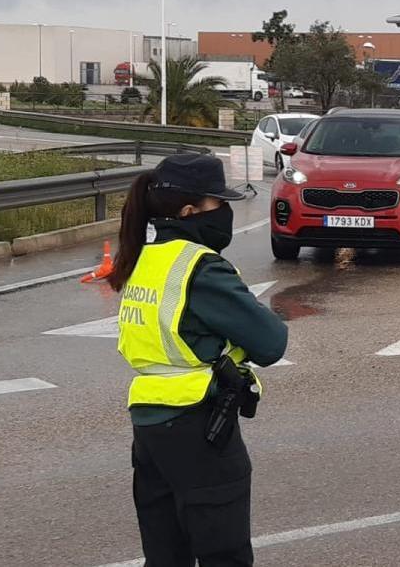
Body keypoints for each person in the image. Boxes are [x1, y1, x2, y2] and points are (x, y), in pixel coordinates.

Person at [109, 153, 288, 566]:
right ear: (189, 211)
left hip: (150, 424)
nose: (225, 212)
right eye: (217, 203)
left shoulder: (141, 259)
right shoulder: (199, 268)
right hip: (199, 426)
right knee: (224, 555)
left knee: (165, 554)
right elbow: (271, 341)